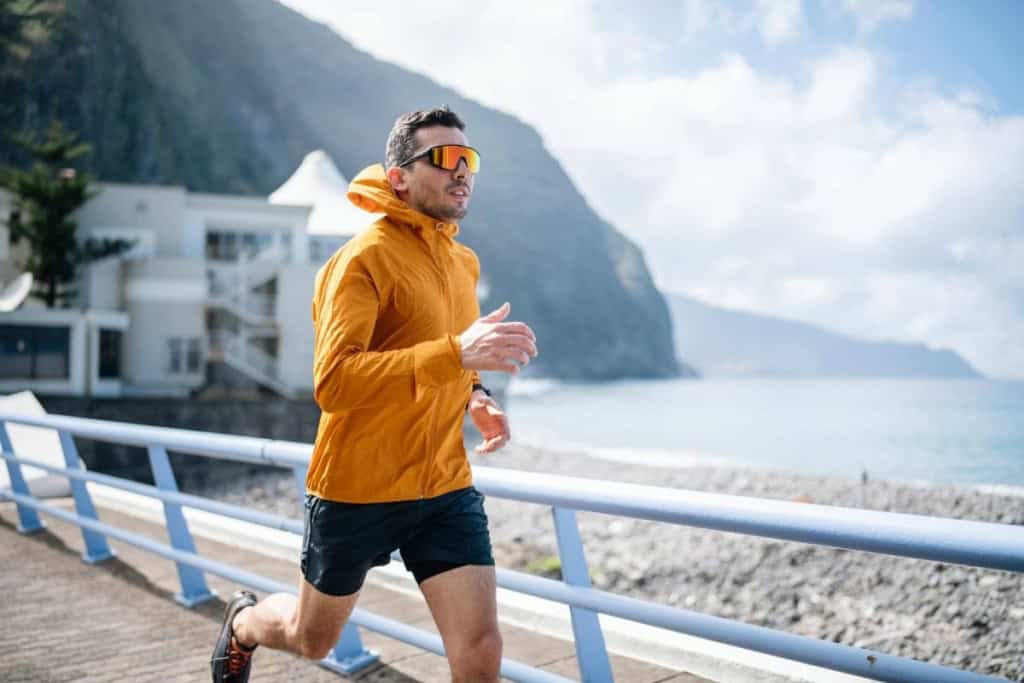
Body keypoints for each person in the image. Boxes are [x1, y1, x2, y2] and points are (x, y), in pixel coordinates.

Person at [210, 106, 538, 682]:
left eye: (470, 159)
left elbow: (448, 356)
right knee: (311, 640)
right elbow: (335, 381)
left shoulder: (463, 263)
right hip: (357, 490)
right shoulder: (360, 261)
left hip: (442, 485)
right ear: (398, 177)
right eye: (445, 158)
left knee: (480, 645)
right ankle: (245, 623)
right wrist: (455, 357)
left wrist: (476, 394)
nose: (462, 171)